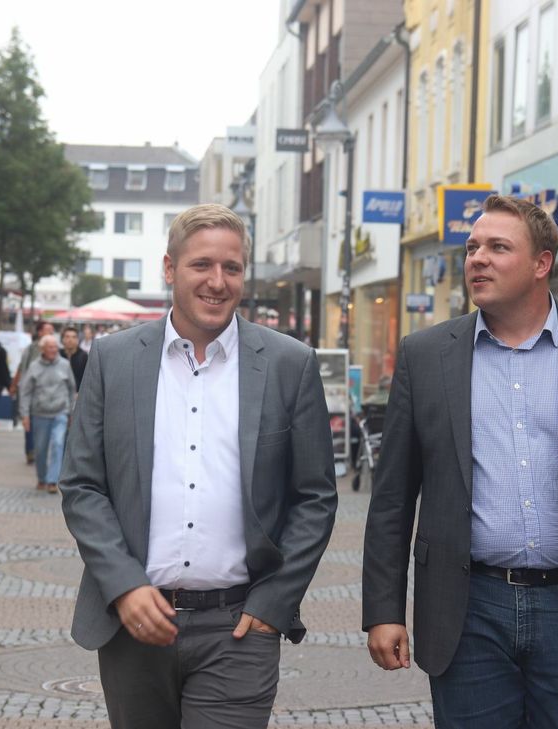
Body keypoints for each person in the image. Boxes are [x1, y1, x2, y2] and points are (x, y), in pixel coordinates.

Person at [362, 195, 558, 729]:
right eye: (472, 247)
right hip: (467, 606)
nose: (477, 258)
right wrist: (384, 611)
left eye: (498, 247)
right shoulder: (426, 355)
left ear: (540, 264)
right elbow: (392, 498)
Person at [60, 203, 337, 729]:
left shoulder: (287, 364)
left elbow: (315, 496)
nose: (218, 281)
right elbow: (82, 485)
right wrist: (123, 585)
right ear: (170, 269)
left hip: (238, 628)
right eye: (201, 265)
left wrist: (273, 602)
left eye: (231, 268)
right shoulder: (113, 359)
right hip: (134, 624)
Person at [18, 334, 75, 494]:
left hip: (60, 412)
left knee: (58, 444)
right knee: (40, 449)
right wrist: (25, 415)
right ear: (43, 349)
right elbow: (26, 392)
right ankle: (42, 478)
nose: (53, 350)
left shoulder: (64, 365)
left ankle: (52, 481)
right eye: (50, 347)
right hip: (40, 413)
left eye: (55, 347)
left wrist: (71, 411)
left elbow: (72, 389)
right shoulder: (34, 367)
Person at [10, 320, 55, 464]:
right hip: (30, 391)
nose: (50, 333)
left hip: (48, 393)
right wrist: (14, 385)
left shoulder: (55, 350)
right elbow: (21, 368)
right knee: (28, 420)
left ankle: (39, 449)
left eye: (52, 330)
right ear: (40, 332)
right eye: (48, 330)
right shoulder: (30, 349)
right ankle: (30, 450)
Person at [59, 325, 88, 391]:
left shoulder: (84, 356)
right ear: (62, 339)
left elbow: (87, 378)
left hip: (78, 394)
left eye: (74, 337)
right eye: (67, 337)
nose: (70, 340)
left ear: (78, 339)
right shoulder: (58, 355)